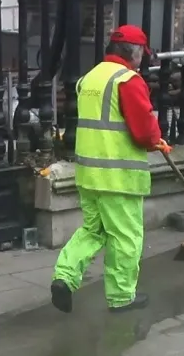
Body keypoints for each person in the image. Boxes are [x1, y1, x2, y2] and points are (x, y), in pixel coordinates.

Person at [52, 22, 170, 314]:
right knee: (125, 236)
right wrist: (157, 140)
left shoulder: (89, 79)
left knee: (92, 231)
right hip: (119, 177)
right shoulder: (127, 80)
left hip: (88, 174)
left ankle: (64, 277)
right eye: (142, 53)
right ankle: (121, 297)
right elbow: (142, 131)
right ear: (134, 51)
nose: (143, 59)